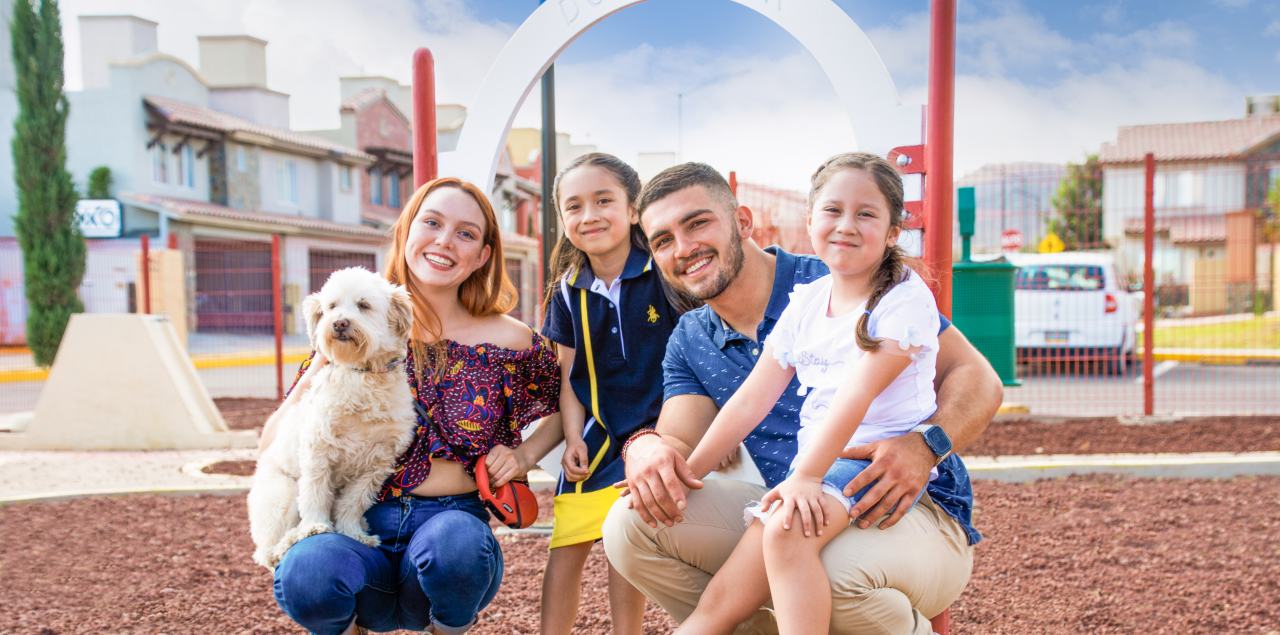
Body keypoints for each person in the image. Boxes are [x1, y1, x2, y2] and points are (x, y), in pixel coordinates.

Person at [602, 161, 1004, 635]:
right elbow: (696, 433)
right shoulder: (703, 334)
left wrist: (925, 444)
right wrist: (645, 447)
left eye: (697, 223)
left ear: (743, 222)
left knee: (821, 562)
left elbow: (978, 379)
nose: (684, 248)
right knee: (636, 525)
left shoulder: (856, 278)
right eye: (664, 239)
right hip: (799, 495)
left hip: (904, 501)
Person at [261, 177, 565, 635]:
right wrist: (323, 363)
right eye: (432, 222)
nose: (444, 241)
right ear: (406, 232)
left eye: (465, 233)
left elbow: (567, 400)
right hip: (356, 524)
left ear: (482, 255)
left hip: (451, 521)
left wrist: (523, 456)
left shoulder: (513, 340)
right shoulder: (353, 320)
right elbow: (272, 443)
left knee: (459, 547)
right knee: (307, 571)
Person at [674, 152, 942, 634]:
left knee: (785, 532)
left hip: (871, 459)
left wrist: (805, 477)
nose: (846, 225)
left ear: (892, 231)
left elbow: (854, 398)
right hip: (823, 461)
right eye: (833, 210)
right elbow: (752, 399)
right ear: (810, 219)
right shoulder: (811, 300)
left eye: (866, 213)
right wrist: (689, 471)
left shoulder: (904, 298)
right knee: (723, 599)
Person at [537, 153, 697, 635]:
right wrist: (572, 436)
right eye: (574, 206)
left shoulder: (666, 274)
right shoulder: (566, 291)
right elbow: (567, 375)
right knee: (565, 547)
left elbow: (701, 353)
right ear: (562, 220)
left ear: (633, 209)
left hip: (662, 433)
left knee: (627, 544)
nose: (589, 215)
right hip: (601, 434)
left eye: (603, 200)